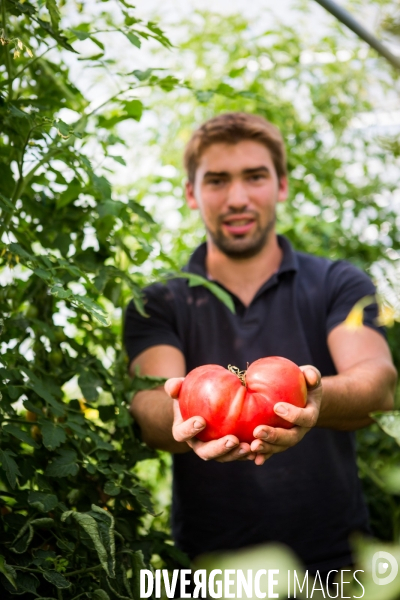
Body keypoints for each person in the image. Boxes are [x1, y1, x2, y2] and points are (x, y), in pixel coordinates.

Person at [123, 112, 397, 578]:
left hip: (334, 570)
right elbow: (149, 402)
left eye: (254, 177)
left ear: (281, 185)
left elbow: (378, 385)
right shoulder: (159, 302)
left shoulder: (336, 283)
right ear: (191, 193)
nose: (237, 198)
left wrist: (314, 398)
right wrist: (181, 419)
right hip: (206, 573)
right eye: (216, 180)